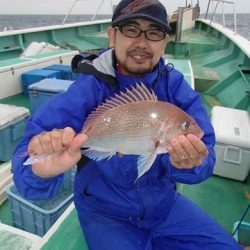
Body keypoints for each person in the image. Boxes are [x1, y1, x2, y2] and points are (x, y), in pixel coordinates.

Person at [12, 0, 242, 249]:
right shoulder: (87, 89)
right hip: (105, 214)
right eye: (131, 29)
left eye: (154, 33)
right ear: (112, 36)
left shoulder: (176, 89)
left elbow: (205, 155)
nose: (141, 43)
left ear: (164, 42)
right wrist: (40, 171)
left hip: (164, 207)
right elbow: (29, 157)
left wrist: (191, 164)